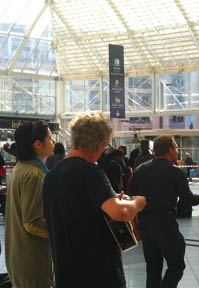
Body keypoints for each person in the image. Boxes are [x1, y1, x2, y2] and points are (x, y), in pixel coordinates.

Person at [43, 111, 146, 288]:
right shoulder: (90, 171)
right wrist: (137, 203)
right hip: (98, 275)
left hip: (65, 274)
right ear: (100, 144)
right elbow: (120, 213)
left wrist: (111, 199)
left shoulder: (51, 175)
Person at [128, 136, 199, 288]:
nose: (177, 151)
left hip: (146, 226)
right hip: (166, 226)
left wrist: (134, 226)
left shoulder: (140, 170)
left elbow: (130, 200)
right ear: (170, 150)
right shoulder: (175, 172)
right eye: (176, 148)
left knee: (153, 270)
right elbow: (187, 199)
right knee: (177, 266)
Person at [5, 121, 55, 288]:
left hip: (20, 255)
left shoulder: (22, 168)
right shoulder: (34, 174)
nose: (53, 142)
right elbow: (32, 222)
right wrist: (59, 233)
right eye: (50, 138)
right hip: (32, 259)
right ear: (37, 144)